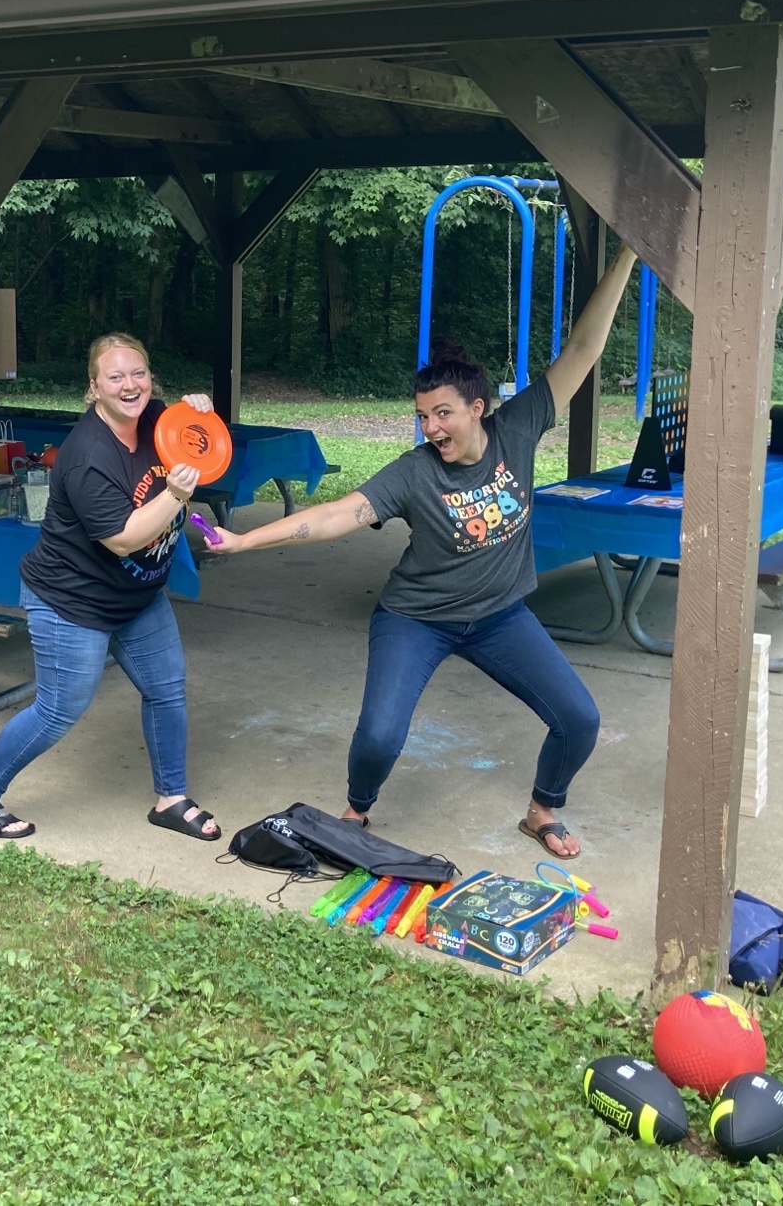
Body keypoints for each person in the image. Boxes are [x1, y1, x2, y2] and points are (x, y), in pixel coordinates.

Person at [208, 245, 643, 860]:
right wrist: (246, 539)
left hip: (500, 618)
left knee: (579, 719)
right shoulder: (414, 473)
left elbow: (582, 350)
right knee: (381, 735)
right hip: (415, 618)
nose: (432, 428)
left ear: (478, 408)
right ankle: (355, 811)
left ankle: (542, 810)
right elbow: (339, 514)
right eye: (422, 417)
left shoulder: (517, 429)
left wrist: (627, 252)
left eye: (443, 413)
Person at [0, 332, 221, 842]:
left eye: (138, 373)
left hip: (137, 596)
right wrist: (176, 496)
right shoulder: (85, 456)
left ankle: (170, 798)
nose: (130, 385)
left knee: (166, 690)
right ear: (93, 387)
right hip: (71, 600)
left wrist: (201, 415)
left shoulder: (157, 420)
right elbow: (124, 538)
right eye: (115, 376)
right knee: (59, 709)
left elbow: (204, 447)